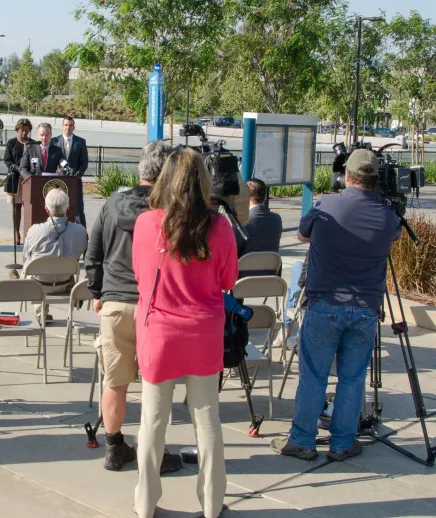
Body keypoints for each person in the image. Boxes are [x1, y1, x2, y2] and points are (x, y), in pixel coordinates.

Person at [271, 149, 400, 462]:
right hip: (366, 309)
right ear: (375, 179)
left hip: (325, 303)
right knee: (353, 379)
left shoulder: (326, 205)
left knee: (314, 376)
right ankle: (343, 443)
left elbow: (303, 235)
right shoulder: (388, 216)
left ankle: (303, 440)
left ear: (347, 176)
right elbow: (393, 236)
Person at [132, 147, 238, 518]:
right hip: (203, 333)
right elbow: (228, 280)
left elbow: (141, 276)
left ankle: (145, 503)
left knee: (153, 422)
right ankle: (211, 504)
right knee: (207, 420)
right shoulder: (220, 227)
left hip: (160, 332)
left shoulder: (147, 224)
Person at [85, 141, 182, 474]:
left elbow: (93, 253)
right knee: (156, 385)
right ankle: (154, 451)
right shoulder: (167, 212)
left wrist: (97, 290)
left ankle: (114, 448)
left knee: (114, 382)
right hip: (153, 306)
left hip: (114, 304)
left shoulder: (113, 204)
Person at [23, 188, 88, 299]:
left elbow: (26, 255)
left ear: (46, 209)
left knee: (27, 266)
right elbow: (88, 259)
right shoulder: (81, 231)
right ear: (68, 208)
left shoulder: (34, 230)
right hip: (66, 284)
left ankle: (40, 312)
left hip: (38, 285)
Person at [3, 118, 37, 245]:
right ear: (17, 130)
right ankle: (16, 232)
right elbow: (7, 160)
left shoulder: (33, 143)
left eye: (27, 131)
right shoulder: (11, 143)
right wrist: (16, 168)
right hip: (15, 178)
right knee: (16, 207)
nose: (24, 133)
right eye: (22, 130)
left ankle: (29, 234)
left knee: (29, 208)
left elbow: (36, 160)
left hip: (28, 178)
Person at [52, 116, 90, 226]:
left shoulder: (80, 142)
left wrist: (78, 175)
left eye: (70, 125)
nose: (68, 127)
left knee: (78, 208)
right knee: (58, 208)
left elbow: (84, 162)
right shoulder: (54, 141)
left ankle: (83, 234)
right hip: (59, 182)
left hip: (75, 181)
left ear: (74, 127)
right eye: (66, 125)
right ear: (62, 126)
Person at [243, 178, 282, 254]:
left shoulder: (244, 221)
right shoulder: (277, 219)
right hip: (271, 264)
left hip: (246, 264)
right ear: (264, 196)